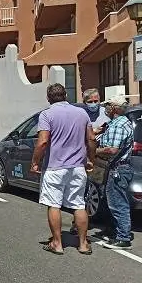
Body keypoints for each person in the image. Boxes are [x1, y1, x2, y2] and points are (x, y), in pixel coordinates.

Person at [30, 83, 96, 256]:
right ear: (66, 95)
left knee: (54, 204)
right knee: (79, 204)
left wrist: (35, 162)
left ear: (48, 98)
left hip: (55, 167)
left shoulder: (47, 114)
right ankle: (83, 244)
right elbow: (91, 139)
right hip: (77, 167)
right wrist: (90, 159)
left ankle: (57, 243)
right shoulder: (81, 113)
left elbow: (43, 141)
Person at [97, 96, 134, 250]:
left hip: (118, 168)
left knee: (118, 203)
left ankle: (123, 237)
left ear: (114, 108)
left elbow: (112, 150)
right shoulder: (116, 124)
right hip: (118, 167)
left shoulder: (118, 126)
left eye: (108, 105)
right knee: (112, 200)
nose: (105, 108)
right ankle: (115, 231)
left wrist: (93, 151)